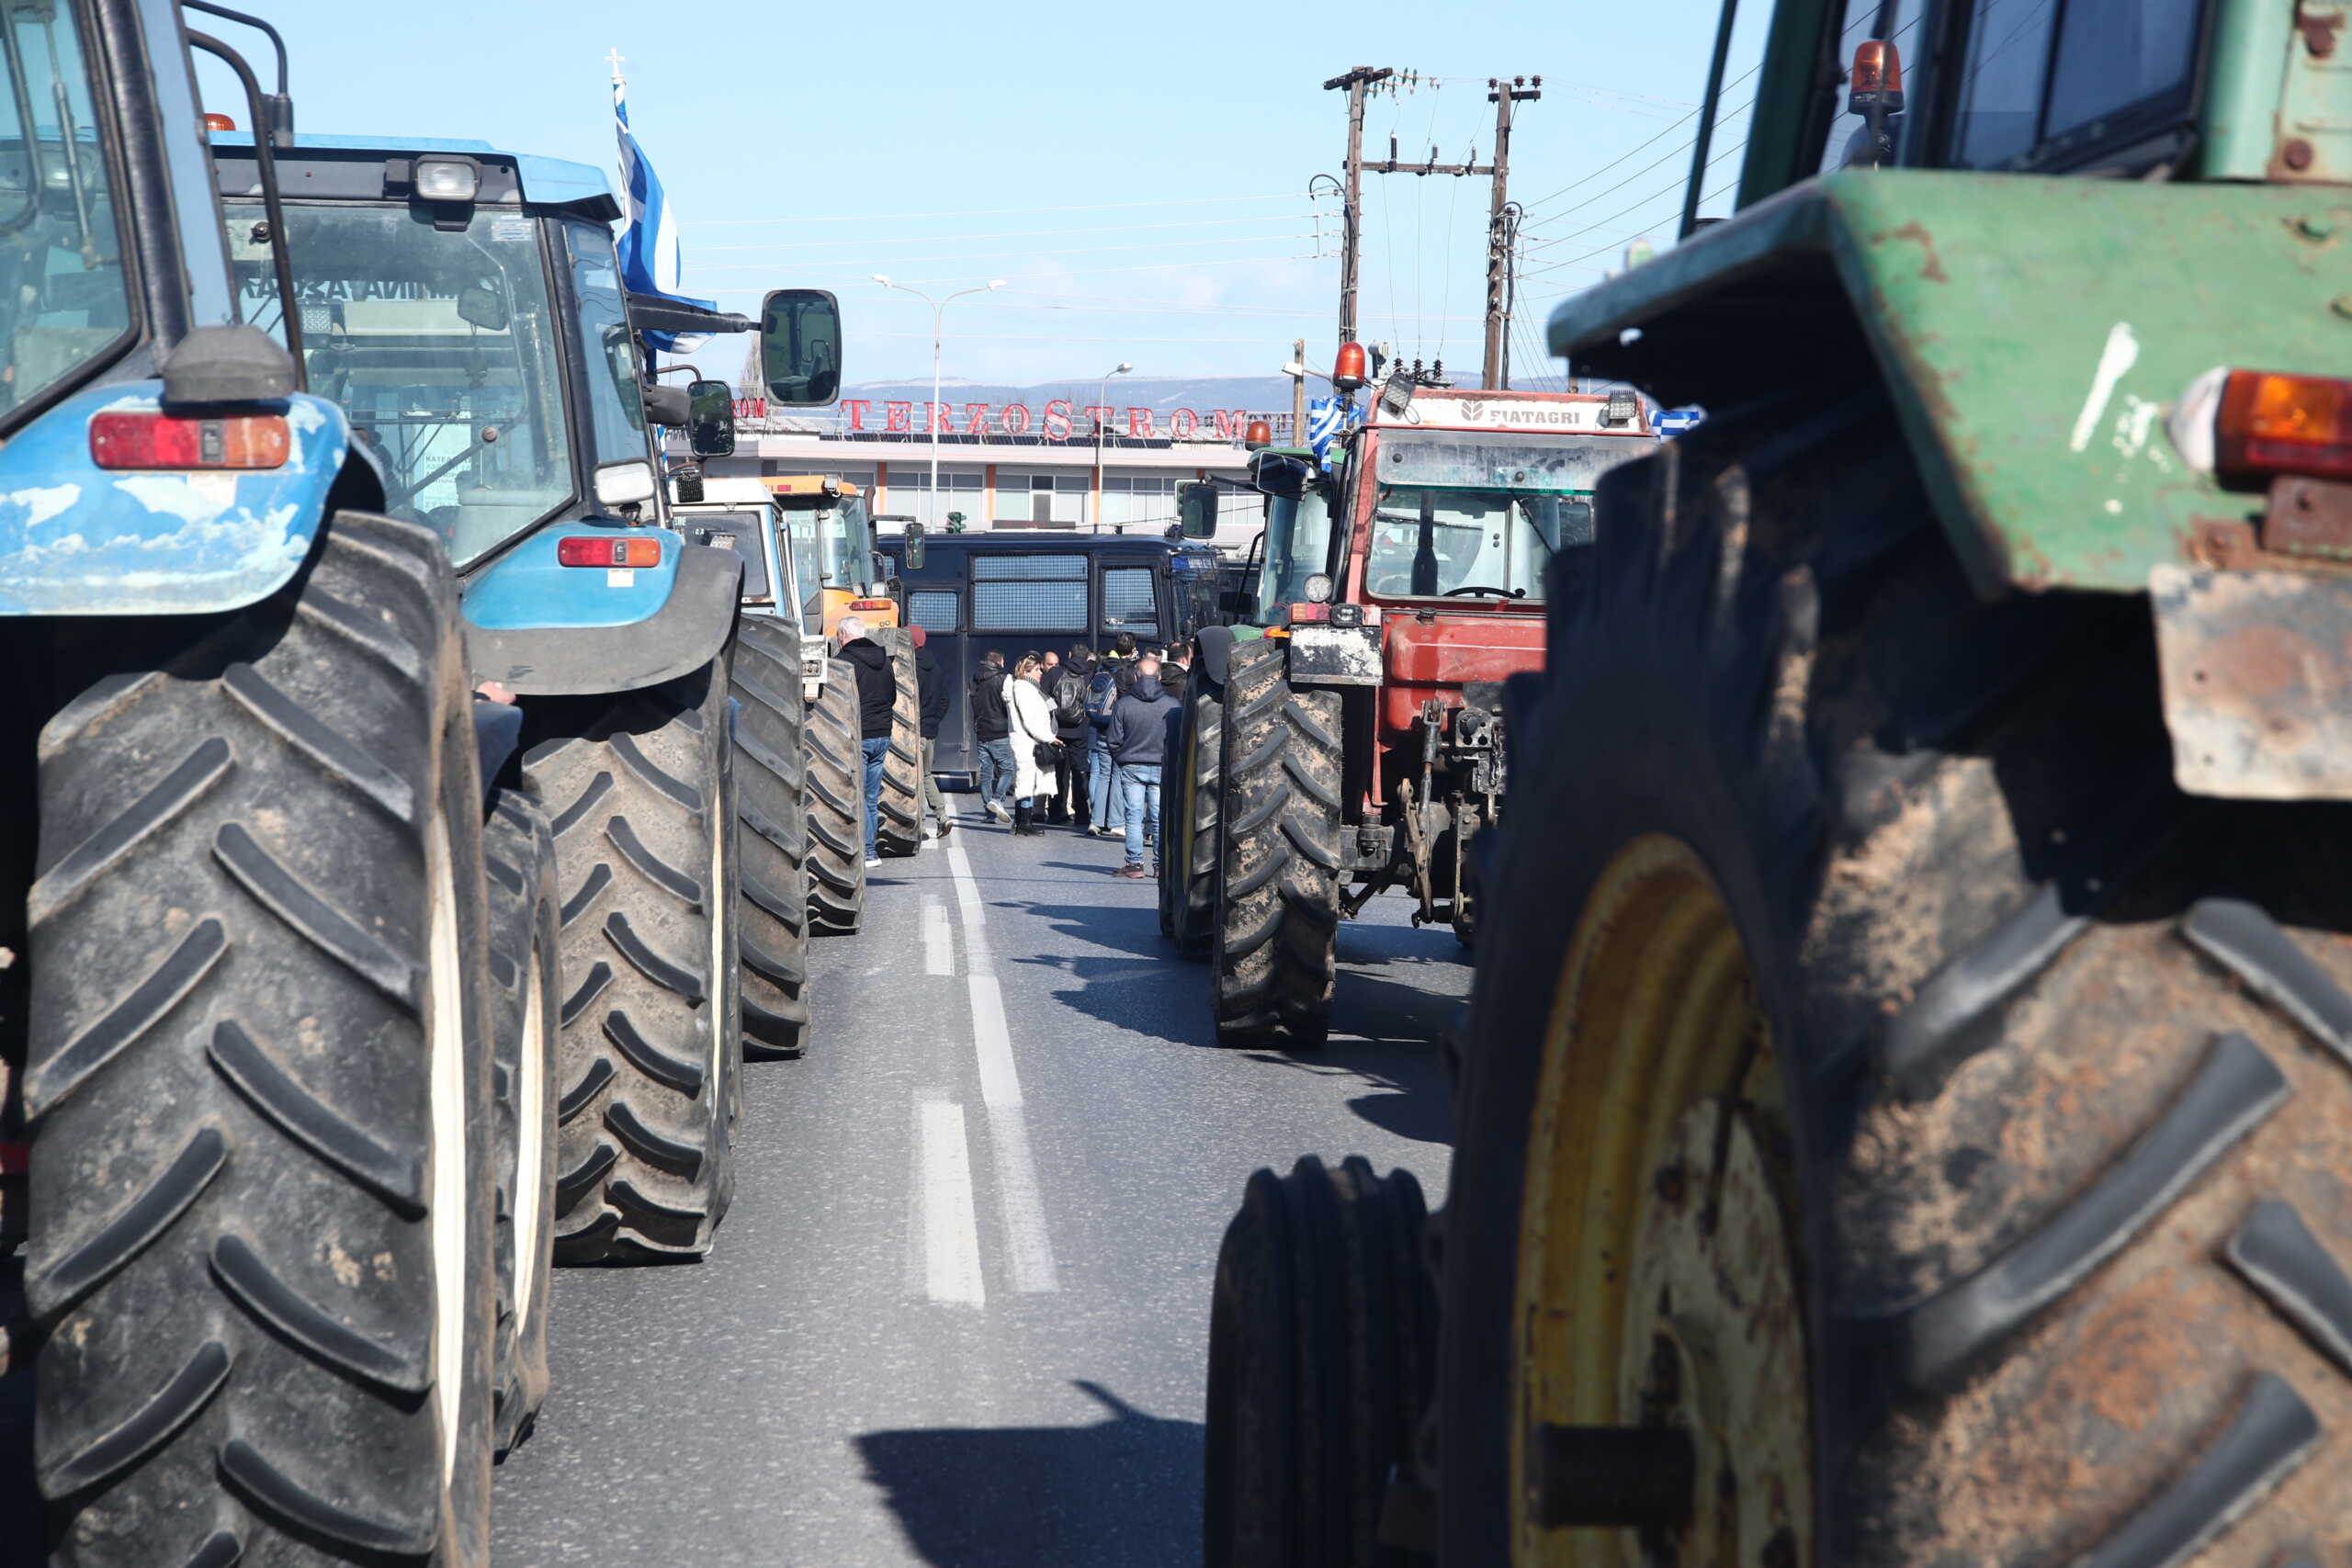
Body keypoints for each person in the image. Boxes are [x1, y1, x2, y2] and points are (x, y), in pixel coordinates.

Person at [1105, 655, 1178, 878]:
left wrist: (1122, 758)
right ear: (1159, 677)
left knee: (1133, 816)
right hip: (1162, 766)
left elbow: (1114, 740)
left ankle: (1135, 864)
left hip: (1131, 765)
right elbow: (1178, 740)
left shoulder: (1124, 704)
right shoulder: (1173, 706)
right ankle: (1160, 865)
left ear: (1136, 676)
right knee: (1158, 817)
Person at [836, 616, 897, 866]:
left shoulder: (842, 663)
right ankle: (872, 850)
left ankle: (866, 851)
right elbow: (892, 696)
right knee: (871, 797)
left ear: (842, 635)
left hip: (860, 736)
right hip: (882, 735)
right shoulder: (885, 663)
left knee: (857, 795)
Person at [1006, 654, 1060, 838]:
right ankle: (1025, 823)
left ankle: (1019, 822)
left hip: (1024, 741)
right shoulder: (1024, 690)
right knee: (1026, 782)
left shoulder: (1027, 688)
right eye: (1037, 669)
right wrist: (1048, 737)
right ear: (1026, 671)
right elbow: (1030, 720)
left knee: (1024, 781)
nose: (1041, 672)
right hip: (1027, 742)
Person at [1048, 643, 1096, 827]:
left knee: (1058, 772)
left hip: (1057, 730)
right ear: (1086, 658)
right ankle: (1082, 813)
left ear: (1069, 654)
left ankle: (1056, 812)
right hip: (1080, 730)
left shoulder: (1055, 673)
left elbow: (1043, 696)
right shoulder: (1089, 675)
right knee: (1080, 771)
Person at [912, 623, 951, 840]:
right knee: (926, 774)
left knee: (915, 778)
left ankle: (919, 825)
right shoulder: (936, 668)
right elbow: (945, 700)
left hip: (914, 732)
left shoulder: (909, 668)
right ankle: (942, 816)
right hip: (930, 731)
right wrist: (933, 721)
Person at [969, 650, 1013, 821]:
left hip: (981, 731)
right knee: (1007, 771)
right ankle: (997, 800)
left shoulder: (976, 678)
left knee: (986, 774)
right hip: (1000, 731)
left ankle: (989, 813)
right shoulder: (1002, 679)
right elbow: (1007, 705)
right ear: (1000, 662)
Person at [1083, 652, 1124, 838]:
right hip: (1117, 732)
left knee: (1102, 776)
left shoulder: (1098, 675)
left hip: (1099, 730)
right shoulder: (1121, 676)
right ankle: (1116, 823)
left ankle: (1095, 821)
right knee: (1116, 775)